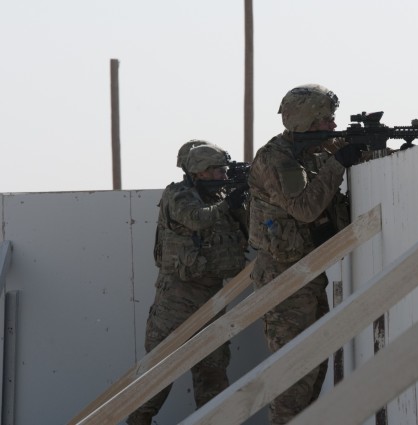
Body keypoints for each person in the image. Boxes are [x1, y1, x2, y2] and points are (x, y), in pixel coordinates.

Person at [247, 84, 363, 424]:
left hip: (307, 274)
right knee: (294, 380)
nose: (331, 125)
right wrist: (339, 163)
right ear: (304, 120)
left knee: (314, 370)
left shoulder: (313, 152)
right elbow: (305, 208)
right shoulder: (276, 157)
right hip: (283, 279)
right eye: (325, 118)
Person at [127, 143, 249, 425]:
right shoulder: (178, 195)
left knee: (213, 369)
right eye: (218, 171)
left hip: (212, 295)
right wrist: (228, 202)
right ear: (200, 172)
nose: (223, 176)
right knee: (159, 372)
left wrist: (242, 198)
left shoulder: (220, 195)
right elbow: (196, 218)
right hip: (177, 299)